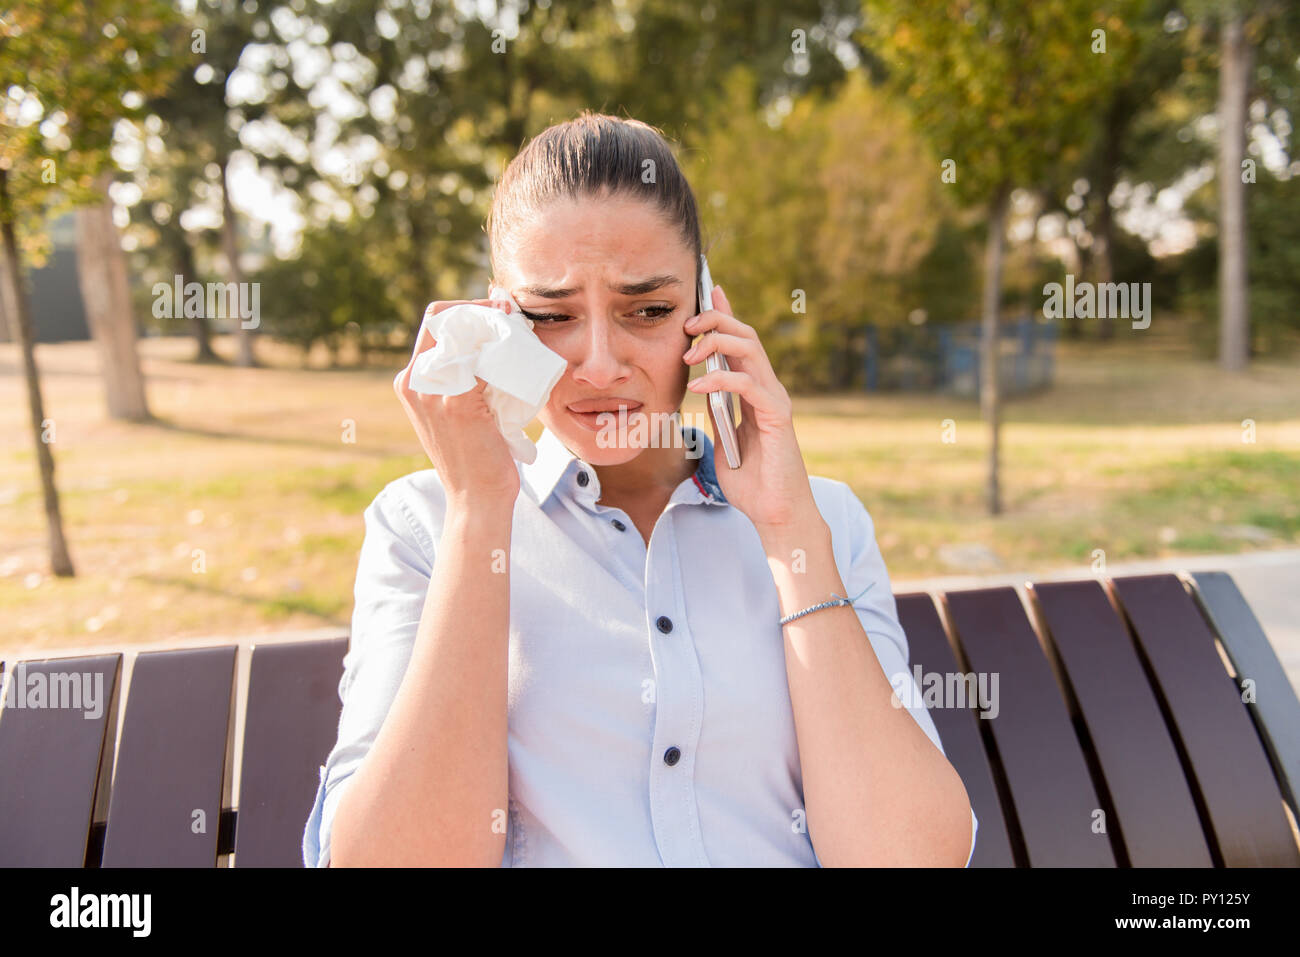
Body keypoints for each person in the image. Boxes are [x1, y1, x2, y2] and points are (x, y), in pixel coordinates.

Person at [302, 111, 977, 867]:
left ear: (706, 306)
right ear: (497, 321)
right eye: (550, 316)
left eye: (648, 310)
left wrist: (789, 533)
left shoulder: (825, 522)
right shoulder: (422, 525)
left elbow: (911, 858)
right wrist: (479, 516)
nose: (599, 363)